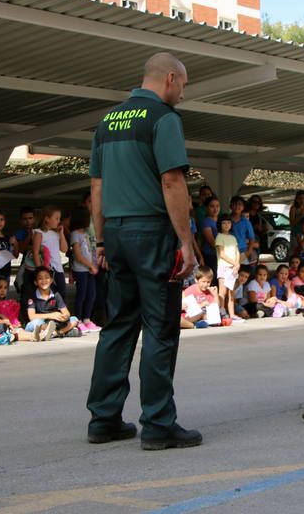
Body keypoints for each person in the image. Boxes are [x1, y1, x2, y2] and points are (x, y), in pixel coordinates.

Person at [86, 53, 201, 450]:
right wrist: (186, 241)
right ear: (170, 78)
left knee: (117, 325)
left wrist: (101, 241)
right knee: (160, 328)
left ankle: (103, 419)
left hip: (116, 232)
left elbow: (97, 190)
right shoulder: (163, 118)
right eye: (183, 85)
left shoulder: (107, 122)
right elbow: (171, 181)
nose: (183, 93)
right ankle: (158, 424)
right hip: (151, 232)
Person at [69, 207, 101, 334]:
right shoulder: (75, 234)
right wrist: (90, 265)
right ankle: (78, 320)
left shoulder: (87, 233)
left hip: (90, 268)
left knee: (91, 294)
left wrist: (94, 265)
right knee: (81, 295)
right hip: (81, 269)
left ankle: (87, 319)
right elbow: (78, 255)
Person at [26, 267, 81, 339]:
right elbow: (31, 316)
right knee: (35, 323)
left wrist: (64, 316)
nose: (44, 280)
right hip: (43, 322)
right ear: (36, 282)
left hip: (55, 322)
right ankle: (62, 332)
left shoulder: (56, 294)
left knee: (74, 319)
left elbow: (66, 312)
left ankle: (56, 333)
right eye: (40, 278)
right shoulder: (32, 296)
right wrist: (51, 315)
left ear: (51, 280)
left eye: (47, 278)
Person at [32, 205, 68, 301]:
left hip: (58, 268)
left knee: (62, 293)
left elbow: (64, 249)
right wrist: (40, 269)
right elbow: (35, 252)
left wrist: (61, 234)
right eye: (56, 218)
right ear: (47, 219)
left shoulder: (56, 234)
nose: (58, 221)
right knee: (49, 294)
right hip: (47, 268)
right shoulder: (39, 232)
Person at [215, 214, 240, 322]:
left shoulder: (233, 237)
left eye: (229, 223)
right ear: (220, 224)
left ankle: (232, 314)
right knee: (223, 292)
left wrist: (237, 264)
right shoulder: (219, 237)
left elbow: (237, 252)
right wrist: (235, 263)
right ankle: (221, 313)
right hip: (224, 267)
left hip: (233, 268)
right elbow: (222, 254)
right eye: (224, 223)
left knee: (231, 292)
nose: (226, 225)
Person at [229, 196, 257, 266]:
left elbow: (252, 238)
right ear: (230, 206)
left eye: (239, 204)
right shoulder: (226, 220)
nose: (237, 206)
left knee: (243, 275)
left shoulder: (246, 222)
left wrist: (248, 252)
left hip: (242, 252)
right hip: (228, 252)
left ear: (243, 207)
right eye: (234, 204)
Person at [14, 206, 36, 294]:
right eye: (25, 219)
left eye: (30, 218)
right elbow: (21, 250)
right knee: (24, 282)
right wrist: (29, 236)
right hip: (26, 261)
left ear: (34, 219)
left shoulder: (39, 231)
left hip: (38, 260)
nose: (28, 221)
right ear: (21, 220)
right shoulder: (20, 233)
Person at [200, 196, 220, 276]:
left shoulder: (222, 220)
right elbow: (212, 242)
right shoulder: (206, 221)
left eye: (217, 206)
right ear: (206, 208)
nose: (215, 209)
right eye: (212, 206)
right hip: (210, 255)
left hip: (220, 255)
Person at [289, 191, 304, 256]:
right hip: (296, 233)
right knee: (295, 253)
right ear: (297, 199)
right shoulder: (293, 208)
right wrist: (301, 214)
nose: (302, 200)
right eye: (300, 198)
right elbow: (292, 224)